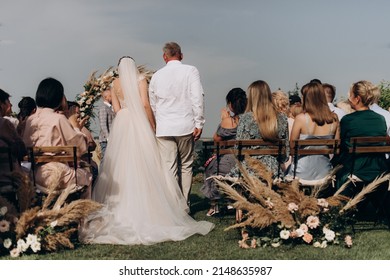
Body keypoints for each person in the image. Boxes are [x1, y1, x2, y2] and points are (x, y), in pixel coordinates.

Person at [80, 56, 213, 245]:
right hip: (138, 121)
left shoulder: (114, 83)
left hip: (123, 122)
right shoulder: (141, 80)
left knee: (122, 166)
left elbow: (117, 109)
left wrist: (125, 117)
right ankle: (153, 208)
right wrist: (152, 124)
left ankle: (120, 208)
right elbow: (144, 104)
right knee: (146, 164)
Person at [149, 42, 205, 205]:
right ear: (181, 55)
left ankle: (173, 205)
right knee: (186, 165)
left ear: (164, 56)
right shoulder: (191, 71)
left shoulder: (157, 75)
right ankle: (184, 204)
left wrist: (157, 122)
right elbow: (197, 98)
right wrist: (199, 123)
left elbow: (153, 104)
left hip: (164, 127)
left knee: (169, 168)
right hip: (185, 124)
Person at [22, 78, 92, 199]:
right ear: (58, 97)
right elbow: (80, 148)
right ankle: (82, 215)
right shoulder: (58, 119)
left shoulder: (30, 120)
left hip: (35, 176)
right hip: (59, 175)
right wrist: (75, 127)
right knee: (88, 176)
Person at [333, 81, 388, 198]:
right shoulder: (380, 119)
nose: (349, 98)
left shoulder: (348, 120)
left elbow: (342, 146)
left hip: (355, 169)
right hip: (378, 168)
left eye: (351, 95)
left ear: (357, 98)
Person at [201, 88, 247, 216]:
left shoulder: (228, 121)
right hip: (245, 163)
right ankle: (231, 201)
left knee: (210, 168)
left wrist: (224, 119)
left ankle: (214, 205)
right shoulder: (249, 120)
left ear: (231, 105)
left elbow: (216, 139)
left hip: (227, 164)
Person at [230, 80, 289, 178]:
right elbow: (285, 155)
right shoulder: (282, 119)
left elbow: (238, 152)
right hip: (274, 171)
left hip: (250, 170)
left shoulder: (245, 119)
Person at [286, 82, 339, 181]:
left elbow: (292, 146)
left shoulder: (301, 118)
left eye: (303, 95)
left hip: (301, 172)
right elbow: (335, 146)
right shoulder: (334, 118)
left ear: (307, 98)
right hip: (325, 171)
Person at [0, 89, 27, 205]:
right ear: (1, 104)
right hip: (6, 181)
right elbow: (21, 150)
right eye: (7, 102)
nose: (10, 105)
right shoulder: (5, 124)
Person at [98, 89, 115, 158]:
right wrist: (108, 137)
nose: (113, 97)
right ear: (106, 97)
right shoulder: (103, 107)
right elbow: (103, 124)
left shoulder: (109, 107)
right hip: (105, 140)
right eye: (111, 96)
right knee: (105, 159)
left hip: (111, 138)